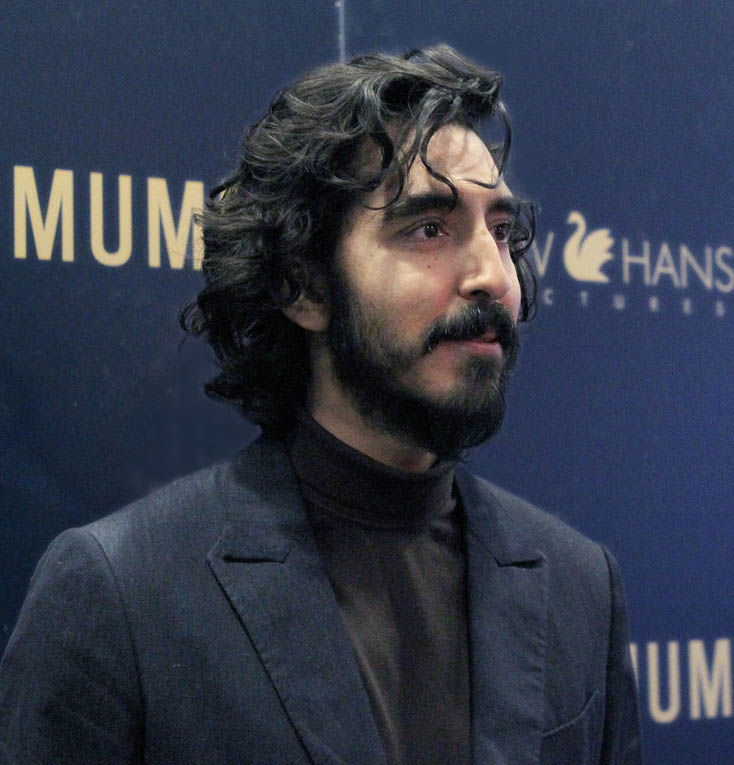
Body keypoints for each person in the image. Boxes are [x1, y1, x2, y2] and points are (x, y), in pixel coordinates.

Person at [0, 46, 642, 764]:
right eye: (429, 228)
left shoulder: (581, 587)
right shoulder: (121, 595)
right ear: (302, 286)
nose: (495, 277)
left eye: (501, 231)